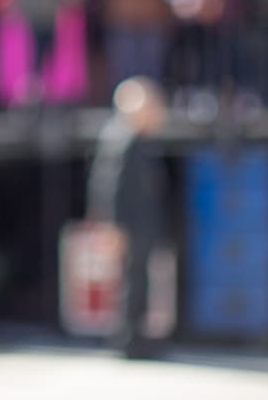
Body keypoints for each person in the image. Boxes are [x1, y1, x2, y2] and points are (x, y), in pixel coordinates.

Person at [86, 75, 169, 359]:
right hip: (128, 225)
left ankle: (137, 336)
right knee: (130, 283)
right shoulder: (121, 139)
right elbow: (107, 187)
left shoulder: (137, 140)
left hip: (139, 224)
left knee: (139, 281)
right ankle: (128, 338)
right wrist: (111, 226)